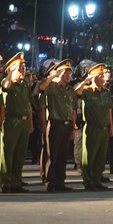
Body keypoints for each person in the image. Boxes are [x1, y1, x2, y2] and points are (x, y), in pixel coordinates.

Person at [39, 59, 76, 192]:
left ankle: (60, 181)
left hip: (66, 125)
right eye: (65, 72)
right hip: (54, 123)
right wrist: (54, 76)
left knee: (62, 155)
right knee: (51, 155)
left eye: (69, 72)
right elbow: (41, 89)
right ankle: (50, 181)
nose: (68, 75)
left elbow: (73, 110)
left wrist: (73, 126)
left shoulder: (70, 90)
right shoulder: (51, 87)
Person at [0, 52, 34, 193]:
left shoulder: (24, 85)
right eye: (20, 66)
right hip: (12, 121)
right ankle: (6, 183)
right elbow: (4, 90)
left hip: (24, 121)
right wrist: (1, 123)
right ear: (11, 69)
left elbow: (29, 105)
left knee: (20, 153)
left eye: (24, 66)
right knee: (8, 153)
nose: (23, 69)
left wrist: (30, 122)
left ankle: (16, 181)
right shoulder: (8, 83)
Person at [75, 63, 113, 190]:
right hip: (92, 128)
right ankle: (88, 181)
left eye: (103, 76)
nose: (103, 79)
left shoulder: (105, 92)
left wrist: (111, 125)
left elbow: (109, 109)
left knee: (101, 156)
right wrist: (86, 80)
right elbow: (77, 92)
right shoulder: (86, 91)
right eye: (100, 76)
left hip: (104, 128)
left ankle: (97, 180)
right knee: (89, 156)